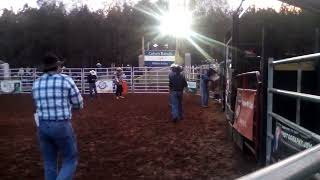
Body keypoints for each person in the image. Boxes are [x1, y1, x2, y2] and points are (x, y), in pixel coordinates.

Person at [32, 53, 83, 180]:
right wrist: (72, 108)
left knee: (49, 162)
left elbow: (36, 103)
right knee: (70, 159)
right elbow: (78, 102)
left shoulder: (36, 82)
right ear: (57, 67)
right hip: (61, 124)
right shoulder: (65, 79)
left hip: (42, 125)